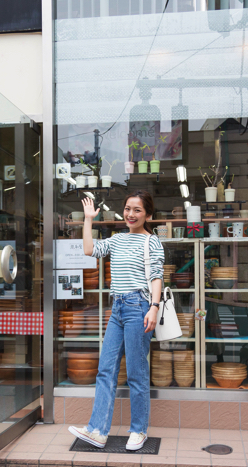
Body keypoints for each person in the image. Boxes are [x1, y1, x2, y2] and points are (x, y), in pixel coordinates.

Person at [69, 190, 164, 451]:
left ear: (148, 215)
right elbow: (90, 249)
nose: (130, 214)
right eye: (127, 209)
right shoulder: (116, 239)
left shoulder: (151, 242)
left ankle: (139, 430)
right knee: (105, 369)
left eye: (137, 210)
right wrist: (88, 219)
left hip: (139, 306)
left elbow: (157, 276)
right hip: (118, 308)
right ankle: (98, 431)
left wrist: (154, 307)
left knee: (136, 372)